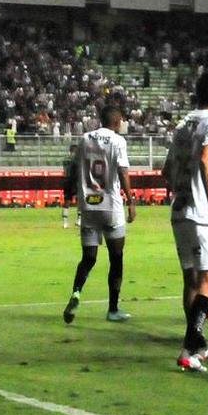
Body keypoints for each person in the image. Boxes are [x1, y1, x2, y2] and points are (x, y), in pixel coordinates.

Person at [162, 71, 208, 373]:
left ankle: (198, 340)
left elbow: (167, 170)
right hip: (202, 213)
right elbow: (206, 159)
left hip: (180, 209)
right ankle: (189, 348)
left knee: (191, 279)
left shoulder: (182, 124)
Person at [62, 104, 136, 324]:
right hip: (111, 206)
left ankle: (76, 292)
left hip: (88, 205)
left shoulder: (85, 139)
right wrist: (131, 202)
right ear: (116, 121)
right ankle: (113, 309)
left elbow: (75, 168)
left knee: (88, 258)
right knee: (116, 258)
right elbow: (123, 173)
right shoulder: (117, 141)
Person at [60, 143, 79, 229]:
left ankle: (65, 223)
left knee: (67, 201)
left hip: (66, 181)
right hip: (75, 181)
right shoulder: (77, 159)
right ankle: (79, 220)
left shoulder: (65, 159)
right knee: (79, 200)